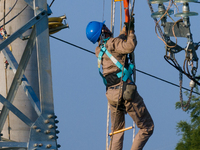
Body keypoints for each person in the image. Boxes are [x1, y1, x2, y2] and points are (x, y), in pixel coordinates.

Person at [86, 19, 154, 150]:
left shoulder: (99, 50)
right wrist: (132, 31)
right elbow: (129, 46)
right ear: (103, 32)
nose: (107, 27)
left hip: (111, 94)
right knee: (147, 127)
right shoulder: (113, 43)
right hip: (125, 91)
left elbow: (117, 43)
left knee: (117, 131)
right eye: (104, 26)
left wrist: (125, 28)